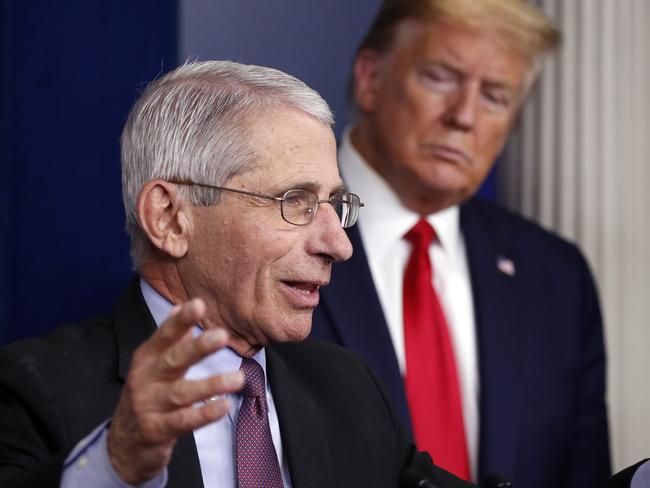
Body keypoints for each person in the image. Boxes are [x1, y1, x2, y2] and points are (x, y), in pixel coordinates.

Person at [0, 61, 473, 488]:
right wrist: (115, 462)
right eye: (296, 202)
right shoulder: (34, 389)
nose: (339, 245)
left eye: (335, 205)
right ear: (169, 218)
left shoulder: (349, 387)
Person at [310, 0, 611, 486]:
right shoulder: (273, 236)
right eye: (441, 77)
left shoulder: (556, 277)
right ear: (370, 79)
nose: (463, 116)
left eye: (494, 96)